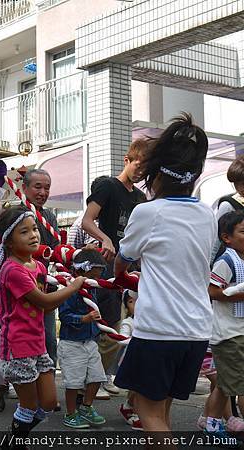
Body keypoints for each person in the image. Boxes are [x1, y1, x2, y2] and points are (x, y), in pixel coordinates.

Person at [113, 113, 216, 433]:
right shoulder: (206, 214)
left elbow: (123, 259)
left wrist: (121, 274)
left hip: (159, 329)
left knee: (149, 415)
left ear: (155, 173)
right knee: (164, 412)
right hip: (197, 329)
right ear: (194, 175)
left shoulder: (148, 212)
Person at [0, 205, 85, 445]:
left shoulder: (40, 267)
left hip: (38, 343)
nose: (33, 235)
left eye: (34, 229)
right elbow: (43, 299)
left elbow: (44, 307)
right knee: (29, 405)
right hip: (17, 345)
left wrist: (60, 292)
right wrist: (73, 287)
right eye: (24, 232)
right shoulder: (12, 270)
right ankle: (15, 442)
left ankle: (16, 436)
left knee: (47, 404)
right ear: (9, 242)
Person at [82, 139, 147, 397]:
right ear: (127, 160)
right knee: (105, 320)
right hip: (106, 264)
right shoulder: (108, 186)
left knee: (119, 322)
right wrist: (105, 238)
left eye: (146, 167)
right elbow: (87, 220)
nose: (141, 171)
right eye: (138, 164)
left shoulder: (141, 198)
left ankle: (103, 375)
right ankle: (91, 381)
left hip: (129, 267)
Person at [203, 211, 244, 438]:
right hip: (229, 334)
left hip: (239, 331)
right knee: (236, 385)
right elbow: (212, 291)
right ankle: (213, 425)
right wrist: (239, 296)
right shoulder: (227, 261)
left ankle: (211, 424)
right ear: (226, 237)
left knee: (226, 384)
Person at [57, 249, 108, 429]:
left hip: (89, 341)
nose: (99, 276)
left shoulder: (91, 288)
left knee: (97, 377)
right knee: (74, 381)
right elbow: (64, 316)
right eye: (95, 273)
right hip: (71, 343)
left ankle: (86, 407)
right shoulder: (70, 290)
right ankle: (70, 413)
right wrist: (83, 319)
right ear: (81, 271)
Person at [21, 169, 60, 374]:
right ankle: (20, 378)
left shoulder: (49, 216)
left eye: (47, 188)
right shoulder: (15, 213)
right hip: (21, 284)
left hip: (46, 283)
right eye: (38, 187)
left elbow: (54, 248)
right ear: (24, 188)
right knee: (24, 334)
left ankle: (48, 381)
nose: (43, 192)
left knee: (48, 337)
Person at [116, 290, 143, 431]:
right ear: (126, 306)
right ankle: (139, 414)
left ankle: (129, 407)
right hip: (132, 360)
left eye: (139, 300)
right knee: (137, 389)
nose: (136, 305)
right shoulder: (129, 322)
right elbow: (122, 339)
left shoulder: (149, 322)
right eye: (131, 302)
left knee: (138, 389)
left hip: (146, 361)